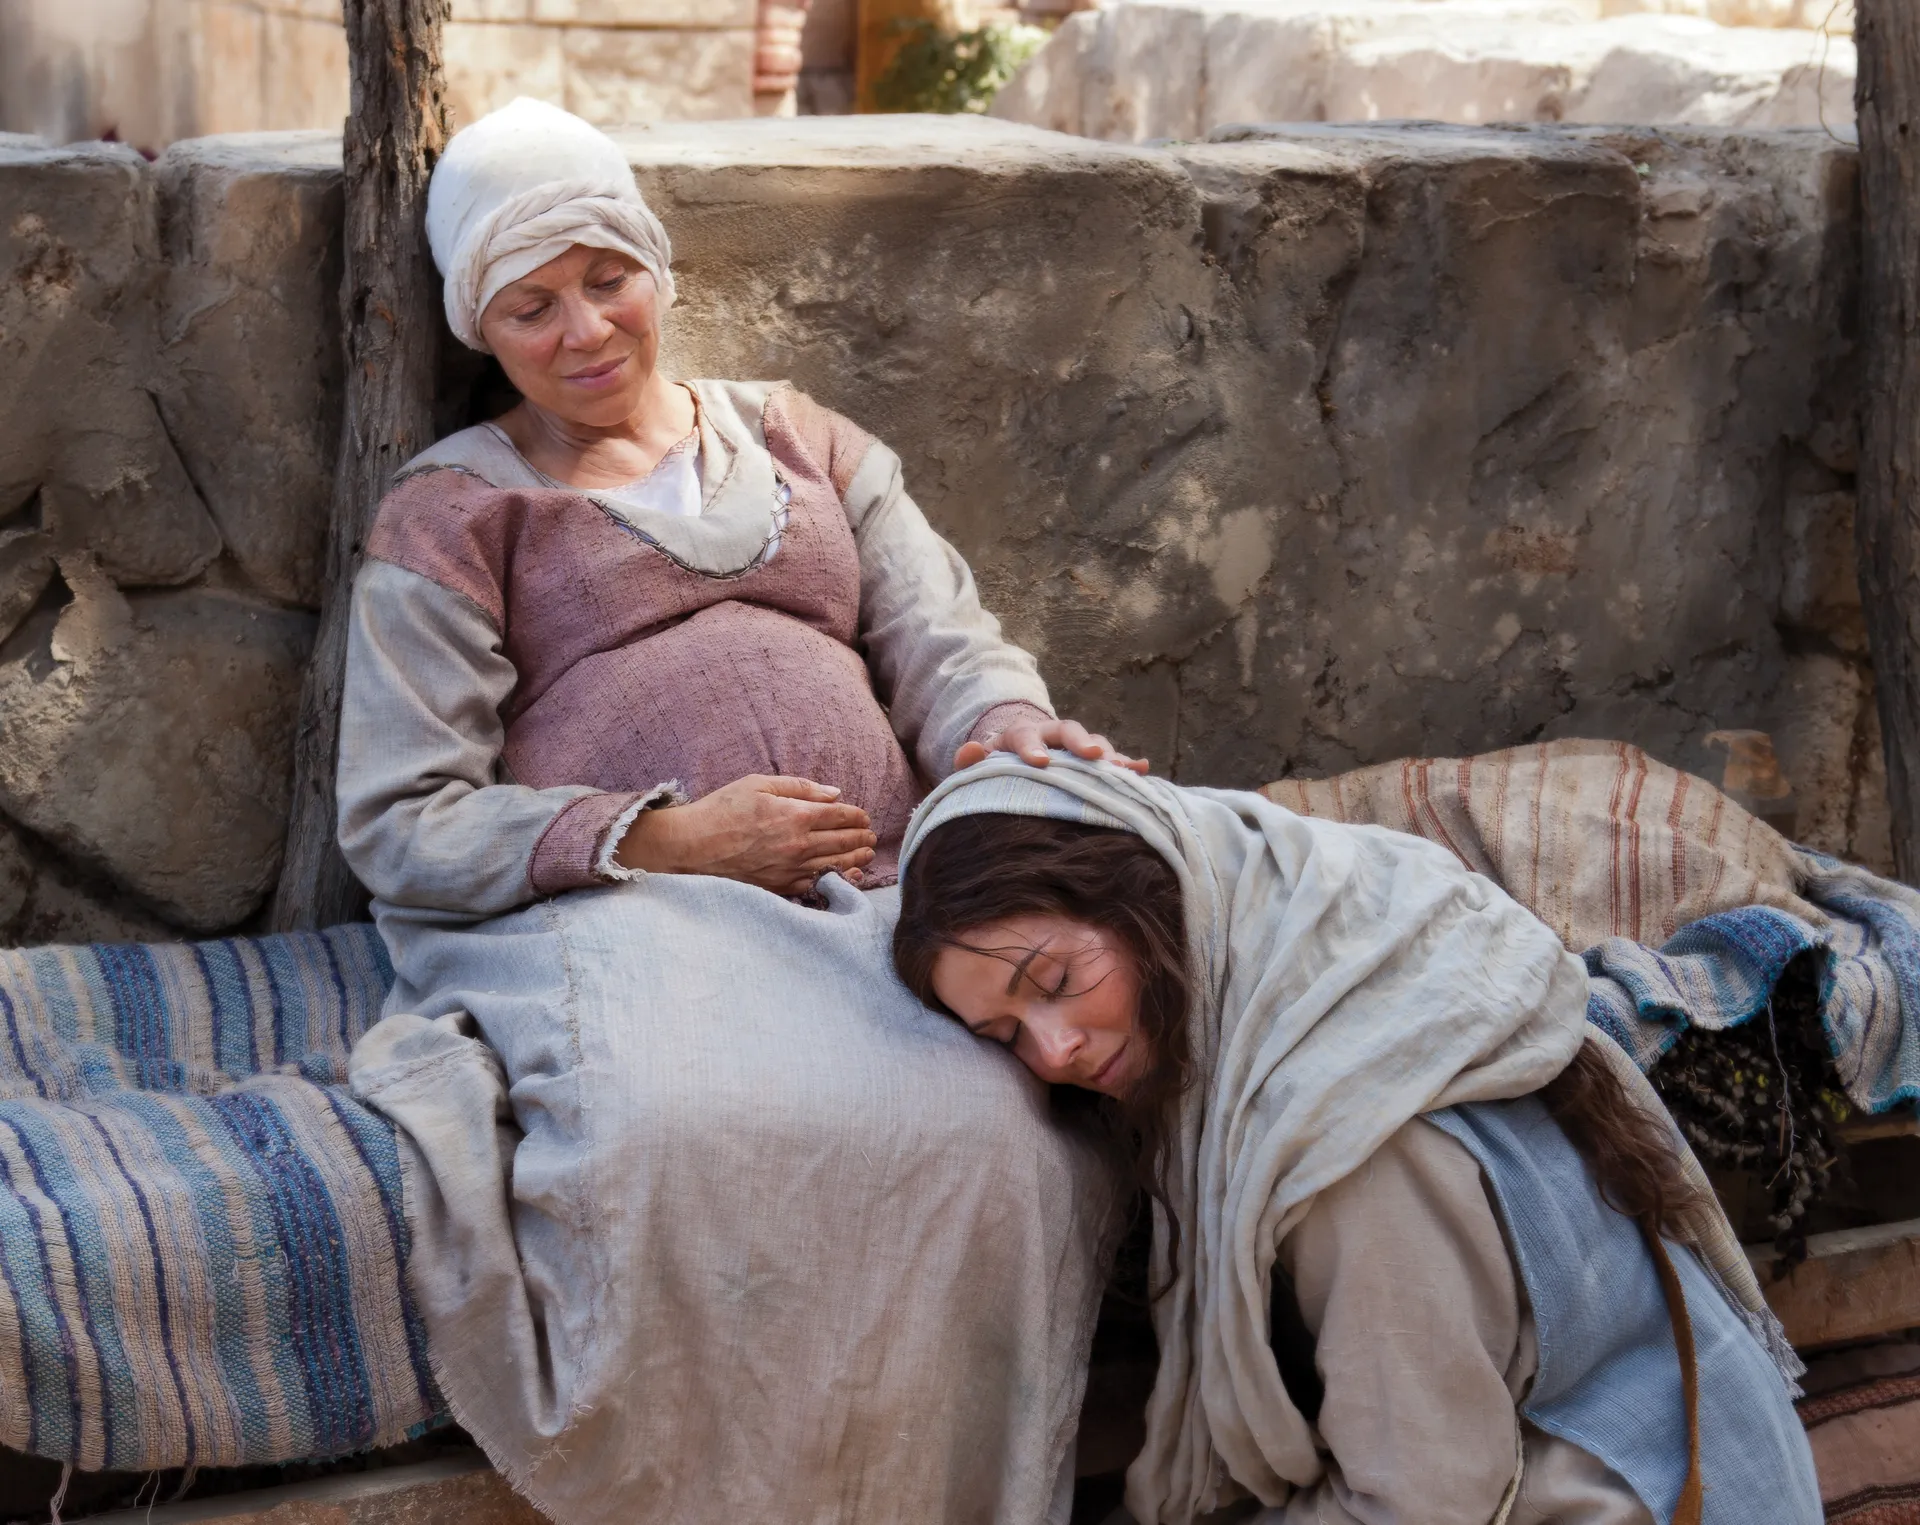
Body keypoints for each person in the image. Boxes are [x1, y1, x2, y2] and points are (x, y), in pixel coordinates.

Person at [338, 97, 1139, 1524]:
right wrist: (664, 837)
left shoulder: (800, 439)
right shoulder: (455, 510)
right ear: (481, 330)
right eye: (531, 307)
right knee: (683, 1133)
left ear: (657, 267)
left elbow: (943, 641)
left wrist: (1003, 723)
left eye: (607, 278)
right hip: (627, 919)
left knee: (1005, 1135)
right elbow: (403, 817)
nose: (585, 330)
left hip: (876, 902)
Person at [894, 753, 1823, 1525]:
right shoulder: (1294, 969)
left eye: (1054, 979)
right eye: (1006, 1035)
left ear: (1148, 898)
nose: (1053, 1049)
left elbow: (1425, 1503)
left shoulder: (1353, 1149)